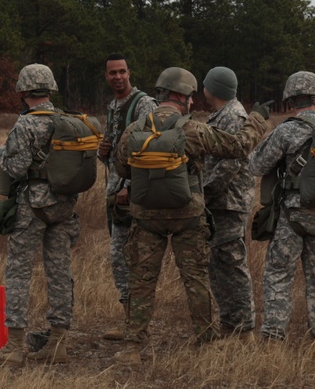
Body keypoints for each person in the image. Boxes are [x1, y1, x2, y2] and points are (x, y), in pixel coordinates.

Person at [111, 67, 271, 364]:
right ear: (181, 97)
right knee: (195, 279)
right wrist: (258, 119)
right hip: (188, 215)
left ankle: (133, 346)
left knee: (142, 280)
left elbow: (121, 167)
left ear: (160, 93)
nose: (193, 103)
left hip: (147, 216)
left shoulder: (135, 129)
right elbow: (238, 147)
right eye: (190, 97)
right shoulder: (193, 129)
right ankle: (206, 340)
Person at [0, 64, 87, 366]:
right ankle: (57, 343)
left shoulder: (25, 125)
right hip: (63, 206)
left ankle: (15, 347)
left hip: (32, 206)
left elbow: (15, 169)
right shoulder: (66, 120)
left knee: (18, 271)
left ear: (24, 91)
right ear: (50, 89)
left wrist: (2, 152)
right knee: (59, 273)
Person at [248, 71, 315, 342]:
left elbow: (256, 165)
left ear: (290, 100)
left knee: (278, 274)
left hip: (293, 217)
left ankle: (274, 338)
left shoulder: (286, 130)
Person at [97, 54, 158, 341]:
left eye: (122, 71)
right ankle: (130, 321)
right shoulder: (113, 106)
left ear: (129, 72)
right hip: (115, 193)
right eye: (112, 73)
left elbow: (149, 149)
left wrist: (129, 186)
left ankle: (138, 327)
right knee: (119, 257)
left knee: (133, 258)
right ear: (106, 76)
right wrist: (103, 153)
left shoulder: (143, 103)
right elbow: (118, 154)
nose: (117, 77)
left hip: (133, 194)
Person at [201, 66, 256, 340]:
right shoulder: (221, 115)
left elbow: (231, 162)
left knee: (232, 264)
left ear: (213, 88)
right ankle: (229, 324)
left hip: (228, 202)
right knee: (220, 265)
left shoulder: (233, 116)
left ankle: (243, 330)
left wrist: (205, 191)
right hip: (220, 202)